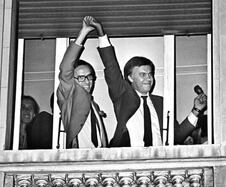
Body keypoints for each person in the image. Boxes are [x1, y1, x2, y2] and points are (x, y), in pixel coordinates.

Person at [86, 16, 207, 147]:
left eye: (150, 74)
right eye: (142, 75)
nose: (148, 78)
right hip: (129, 160)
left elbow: (177, 136)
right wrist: (101, 32)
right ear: (130, 78)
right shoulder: (122, 96)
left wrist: (196, 110)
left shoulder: (161, 103)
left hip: (157, 162)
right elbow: (111, 67)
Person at [56, 16, 109, 149]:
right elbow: (65, 67)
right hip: (80, 159)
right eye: (80, 77)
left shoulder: (93, 105)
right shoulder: (69, 96)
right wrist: (83, 33)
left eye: (89, 77)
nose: (87, 81)